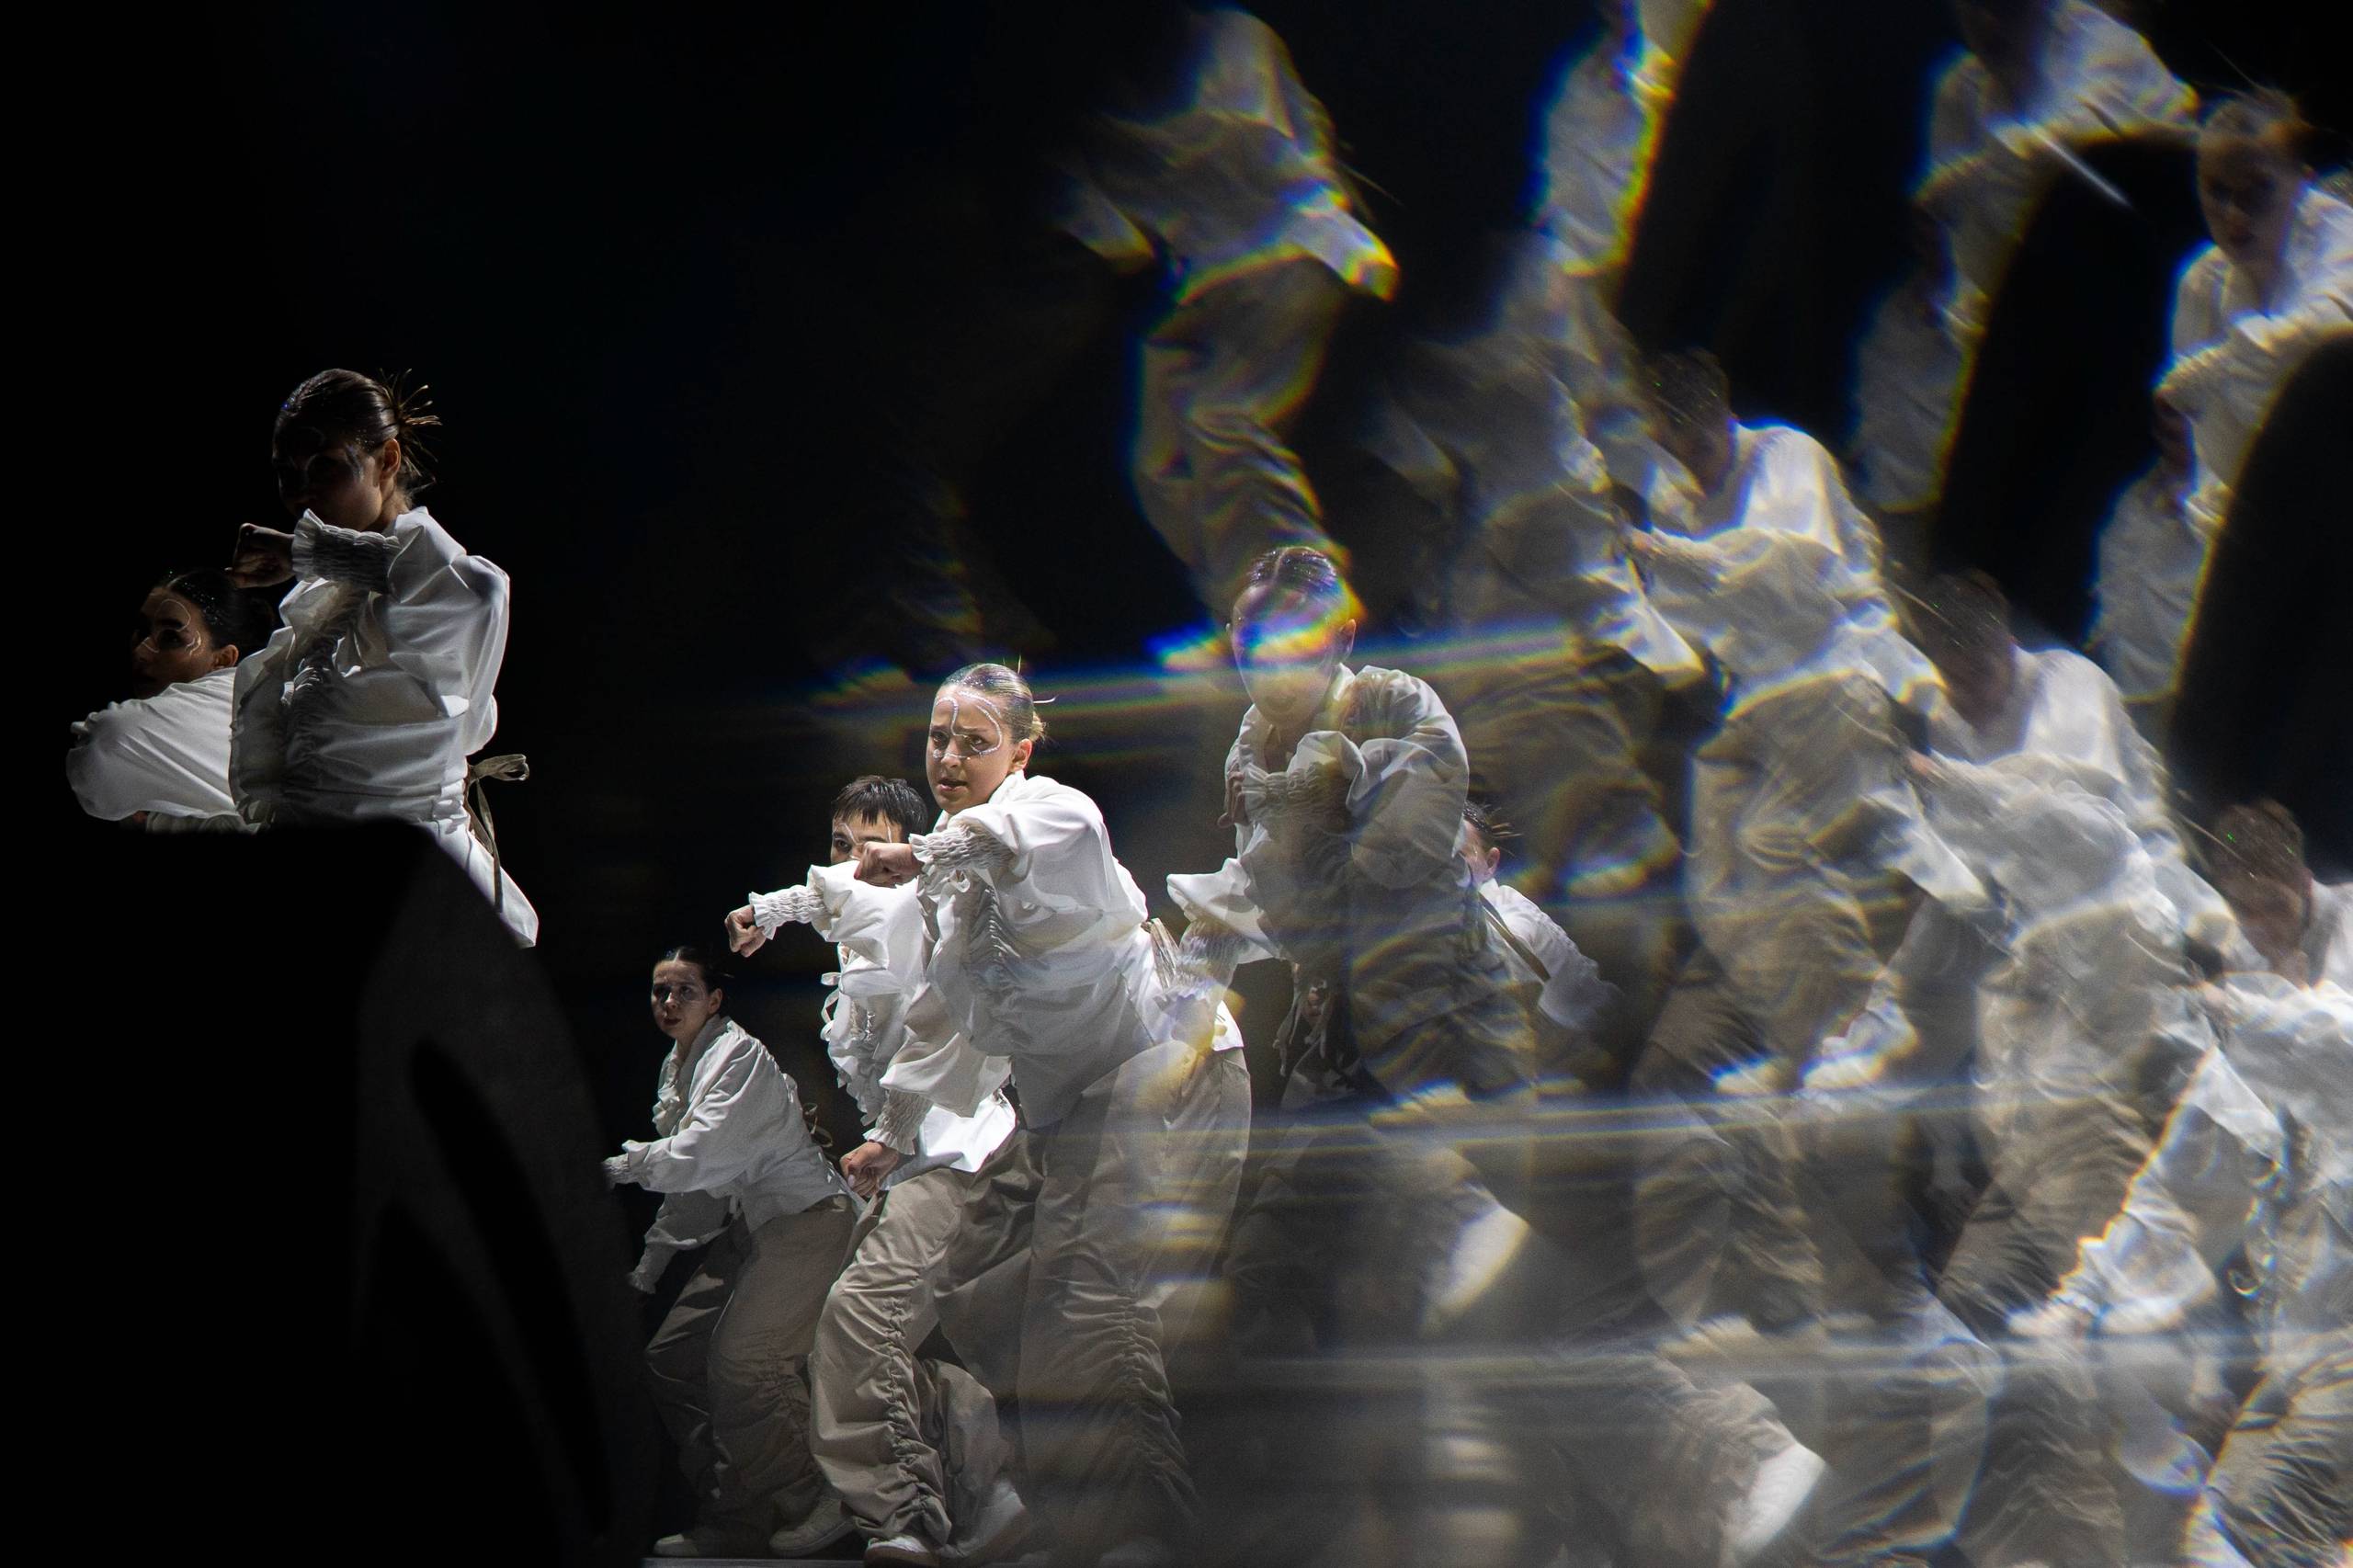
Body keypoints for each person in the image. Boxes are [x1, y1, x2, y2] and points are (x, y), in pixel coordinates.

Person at [1172, 548, 1822, 1567]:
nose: (1271, 664)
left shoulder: (1406, 723)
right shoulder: (1256, 749)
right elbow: (1274, 892)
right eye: (1252, 644)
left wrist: (1485, 1097)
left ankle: (1722, 1465)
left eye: (1293, 642)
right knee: (1279, 1290)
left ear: (1341, 637)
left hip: (1451, 1054)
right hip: (1349, 1059)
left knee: (1520, 1316)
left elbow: (1388, 882)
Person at [851, 662, 1250, 1566]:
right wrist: (890, 1132)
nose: (949, 758)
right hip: (1075, 1111)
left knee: (1097, 1298)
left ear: (1020, 752)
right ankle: (1045, 1514)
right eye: (939, 739)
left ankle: (1143, 1530)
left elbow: (1013, 836)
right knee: (987, 1294)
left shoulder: (1053, 814)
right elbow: (941, 1022)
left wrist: (923, 853)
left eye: (975, 742)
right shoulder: (952, 894)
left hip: (1168, 1066)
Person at [725, 777, 1029, 1568]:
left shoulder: (918, 912)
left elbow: (933, 1033)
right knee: (869, 1347)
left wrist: (772, 910)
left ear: (904, 855)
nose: (853, 860)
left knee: (860, 1326)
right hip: (915, 1167)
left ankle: (905, 1516)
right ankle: (988, 1484)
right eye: (840, 843)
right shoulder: (862, 939)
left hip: (956, 1157)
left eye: (873, 845)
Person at [1055, 4, 1396, 618]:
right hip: (1206, 286)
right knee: (1159, 460)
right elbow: (1107, 236)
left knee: (1222, 415)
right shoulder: (1089, 108)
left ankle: (1306, 596)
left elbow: (1275, 151)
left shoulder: (1225, 36)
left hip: (1287, 252)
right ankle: (1245, 606)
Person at [2016, 971, 2350, 1566]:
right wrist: (2079, 1300)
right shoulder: (2232, 1078)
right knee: (2216, 1539)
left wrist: (2235, 1008)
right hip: (2301, 1357)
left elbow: (2327, 1038)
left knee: (2255, 1524)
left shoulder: (2327, 1045)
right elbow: (2167, 1194)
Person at [225, 369, 537, 944]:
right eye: (287, 473)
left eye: (325, 467)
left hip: (407, 897)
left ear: (387, 460)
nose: (300, 493)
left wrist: (311, 553)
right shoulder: (331, 595)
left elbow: (476, 591)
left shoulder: (438, 586)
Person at [606, 946, 859, 1561]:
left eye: (684, 991)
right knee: (673, 1359)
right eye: (660, 992)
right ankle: (737, 1513)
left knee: (745, 1359)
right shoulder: (678, 1070)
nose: (669, 1003)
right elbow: (695, 1194)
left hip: (807, 1218)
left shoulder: (737, 1055)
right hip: (754, 1226)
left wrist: (623, 1167)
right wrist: (646, 1273)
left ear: (715, 1000)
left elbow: (700, 1152)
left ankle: (815, 1490)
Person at [1916, 0, 2194, 335]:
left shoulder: (2102, 41)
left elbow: (2082, 149)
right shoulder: (1959, 92)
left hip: (2146, 275)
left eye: (2006, 7)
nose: (1987, 22)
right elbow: (1956, 248)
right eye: (1972, 6)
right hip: (2040, 301)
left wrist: (1966, 179)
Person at [2159, 91, 2353, 517]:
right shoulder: (2202, 281)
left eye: (2257, 190)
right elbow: (2201, 448)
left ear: (2301, 180)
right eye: (2217, 191)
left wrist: (2208, 370)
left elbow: (2324, 339)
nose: (2234, 216)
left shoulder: (2341, 240)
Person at [68, 569, 267, 824]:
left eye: (171, 638)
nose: (141, 652)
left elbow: (107, 741)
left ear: (223, 659)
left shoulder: (232, 698)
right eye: (142, 630)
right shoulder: (252, 693)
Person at [2086, 396, 2222, 739]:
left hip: (2168, 691)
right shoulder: (2139, 493)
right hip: (2114, 673)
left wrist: (2191, 505)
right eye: (2163, 433)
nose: (2170, 445)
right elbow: (2118, 572)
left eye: (2180, 435)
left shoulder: (2219, 509)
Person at [2206, 799, 2351, 990]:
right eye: (2242, 908)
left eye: (2275, 905)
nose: (2259, 925)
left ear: (2305, 885)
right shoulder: (2241, 952)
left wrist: (2286, 991)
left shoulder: (2347, 921)